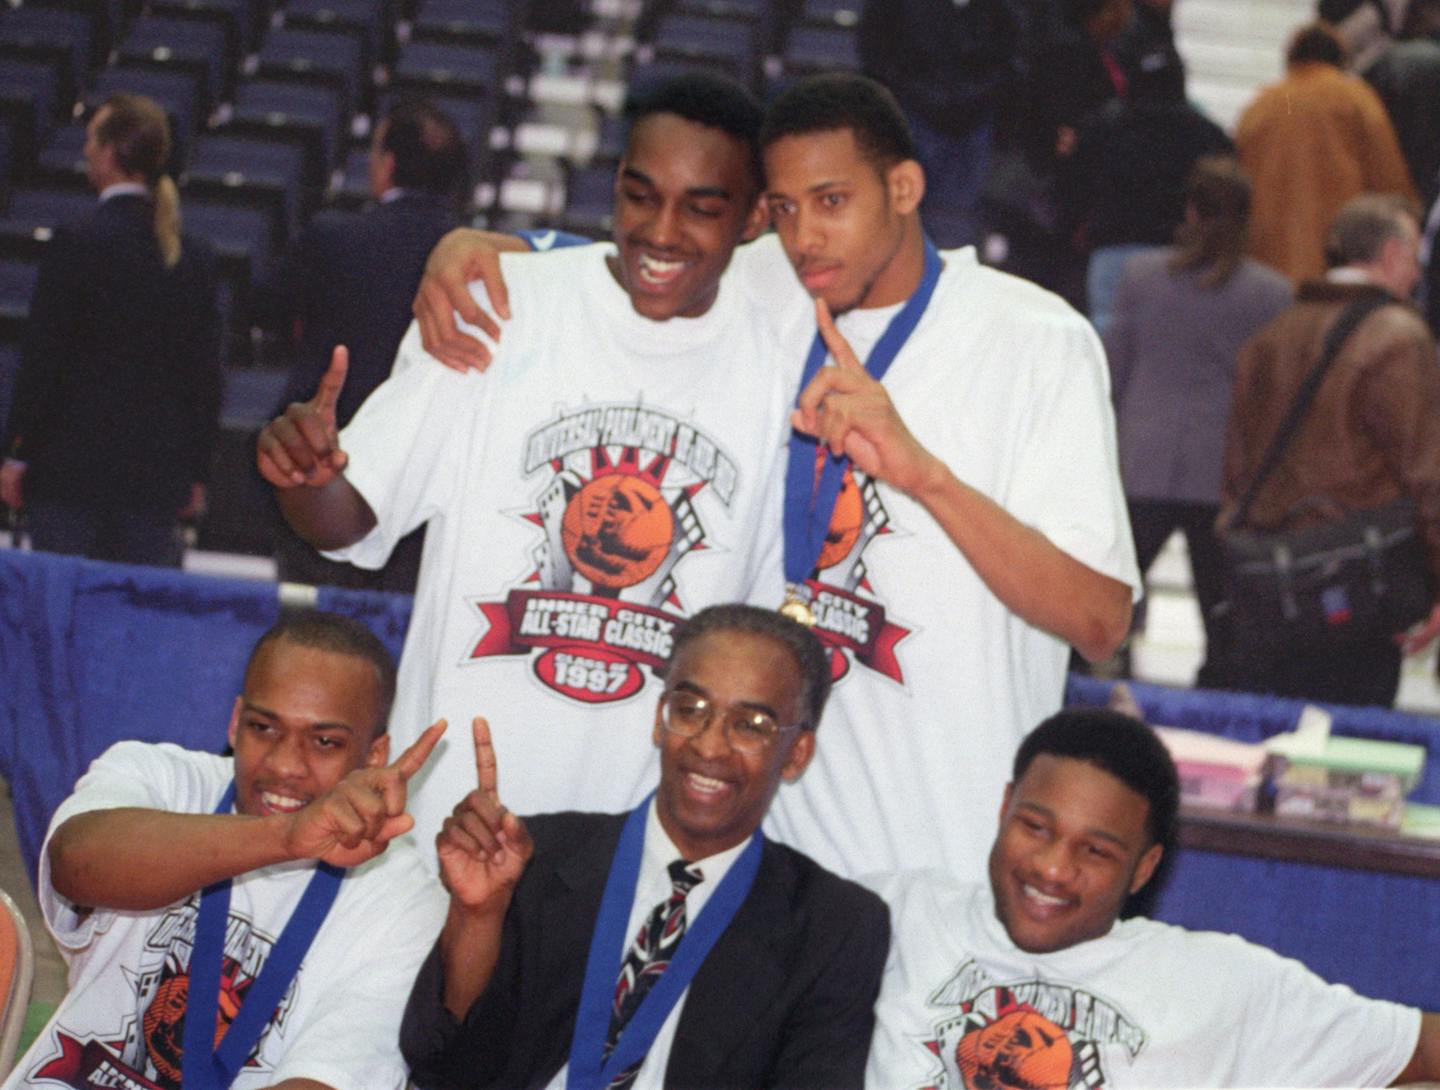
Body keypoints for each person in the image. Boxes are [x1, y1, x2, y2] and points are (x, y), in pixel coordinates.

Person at [409, 72, 1139, 884]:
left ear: (904, 187)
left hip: (940, 850)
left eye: (832, 202)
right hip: (762, 861)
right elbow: (630, 264)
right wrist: (474, 245)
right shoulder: (772, 286)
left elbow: (1100, 620)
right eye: (784, 210)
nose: (806, 239)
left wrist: (925, 475)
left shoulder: (1035, 340)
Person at [256, 74, 792, 858]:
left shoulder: (778, 365)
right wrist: (307, 478)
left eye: (701, 209)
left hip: (637, 850)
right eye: (640, 197)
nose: (662, 231)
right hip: (444, 823)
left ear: (751, 219)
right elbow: (351, 517)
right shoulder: (500, 302)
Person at [400, 604, 890, 1089]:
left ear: (796, 754)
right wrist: (478, 917)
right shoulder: (534, 858)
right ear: (660, 718)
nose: (710, 746)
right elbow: (441, 1066)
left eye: (750, 726)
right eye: (690, 709)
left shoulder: (834, 927)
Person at [866, 707, 1440, 1089]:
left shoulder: (1218, 983)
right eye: (1036, 828)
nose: (1053, 869)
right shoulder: (894, 914)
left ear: (1144, 868)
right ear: (1005, 808)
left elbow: (1419, 1047)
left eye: (1095, 852)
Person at [4, 610, 450, 1090]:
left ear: (375, 755)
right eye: (264, 728)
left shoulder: (404, 900)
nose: (285, 765)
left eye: (324, 742)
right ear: (236, 722)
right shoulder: (159, 777)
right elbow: (75, 864)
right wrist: (283, 838)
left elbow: (326, 1081)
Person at [1217, 192, 1440, 706]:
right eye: (1413, 257)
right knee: (1345, 742)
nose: (1416, 273)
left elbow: (1234, 468)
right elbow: (1426, 472)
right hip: (1362, 577)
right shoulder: (1399, 336)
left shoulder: (1271, 335)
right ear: (1391, 254)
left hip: (1271, 581)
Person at [256, 98, 469, 593]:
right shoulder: (480, 258)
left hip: (322, 471)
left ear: (386, 164)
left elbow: (264, 310)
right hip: (422, 485)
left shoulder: (335, 236)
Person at [0, 92, 222, 567]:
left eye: (89, 141)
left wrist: (16, 454)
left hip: (68, 476)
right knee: (136, 623)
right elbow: (205, 378)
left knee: (65, 621)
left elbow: (43, 360)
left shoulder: (76, 242)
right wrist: (196, 472)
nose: (83, 151)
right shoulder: (195, 257)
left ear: (109, 152)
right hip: (155, 481)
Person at [1104, 157, 1292, 685]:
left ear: (1189, 209)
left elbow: (1115, 367)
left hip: (1144, 454)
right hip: (1222, 467)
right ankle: (1216, 694)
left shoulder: (1139, 276)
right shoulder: (1271, 293)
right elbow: (1266, 394)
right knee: (1220, 601)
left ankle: (1102, 668)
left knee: (1118, 580)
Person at [1236, 22, 1417, 284]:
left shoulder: (1259, 106)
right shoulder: (1357, 99)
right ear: (1341, 59)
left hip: (1266, 268)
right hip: (1337, 262)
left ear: (1291, 58)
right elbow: (1390, 185)